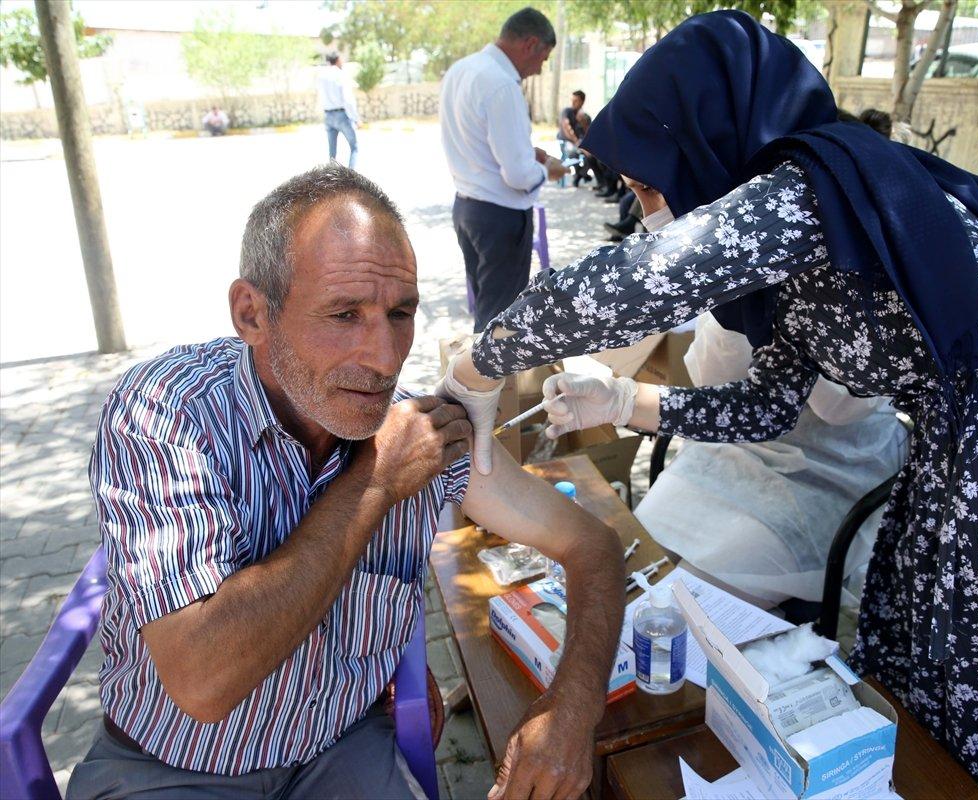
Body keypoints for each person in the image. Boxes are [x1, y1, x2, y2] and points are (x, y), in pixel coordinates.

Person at [437, 12, 978, 799]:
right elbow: (765, 407)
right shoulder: (811, 244)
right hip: (972, 450)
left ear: (708, 141)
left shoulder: (809, 195)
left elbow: (635, 282)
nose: (652, 208)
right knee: (925, 695)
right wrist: (622, 396)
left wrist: (476, 364)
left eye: (654, 185)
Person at [67, 164, 624, 800]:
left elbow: (593, 546)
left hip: (339, 748)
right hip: (170, 768)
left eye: (401, 313)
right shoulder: (166, 413)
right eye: (343, 314)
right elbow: (202, 680)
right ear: (252, 313)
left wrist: (572, 708)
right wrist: (374, 485)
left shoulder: (420, 432)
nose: (385, 358)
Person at [632, 313, 907, 609]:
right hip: (737, 445)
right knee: (639, 554)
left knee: (687, 606)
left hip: (833, 464)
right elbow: (711, 381)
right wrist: (733, 315)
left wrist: (797, 319)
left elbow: (842, 408)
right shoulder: (747, 268)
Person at [440, 7, 567, 333]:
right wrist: (547, 171)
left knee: (486, 310)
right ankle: (486, 382)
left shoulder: (461, 70)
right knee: (500, 323)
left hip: (468, 209)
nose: (540, 70)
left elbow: (478, 142)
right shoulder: (502, 85)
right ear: (530, 44)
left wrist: (529, 153)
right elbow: (518, 176)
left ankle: (479, 379)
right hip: (500, 216)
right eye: (543, 58)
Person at [317, 51, 359, 170]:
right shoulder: (340, 74)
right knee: (354, 147)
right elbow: (348, 99)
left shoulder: (321, 76)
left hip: (328, 115)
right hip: (341, 115)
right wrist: (356, 118)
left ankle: (331, 178)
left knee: (332, 152)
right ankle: (352, 177)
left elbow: (320, 96)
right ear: (337, 60)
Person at [558, 90, 590, 186]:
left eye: (575, 100)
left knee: (593, 155)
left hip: (580, 143)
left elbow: (589, 133)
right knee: (573, 154)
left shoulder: (585, 116)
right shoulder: (567, 111)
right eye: (572, 100)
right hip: (567, 142)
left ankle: (580, 175)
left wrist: (583, 123)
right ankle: (581, 176)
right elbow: (567, 128)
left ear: (582, 102)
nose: (572, 102)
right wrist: (577, 143)